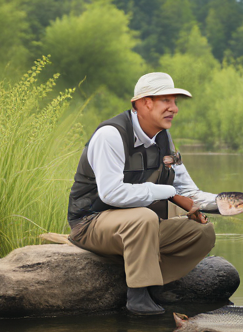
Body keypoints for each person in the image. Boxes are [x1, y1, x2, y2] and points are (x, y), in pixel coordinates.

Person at [67, 72, 218, 316]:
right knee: (144, 217)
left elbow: (187, 190)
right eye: (167, 101)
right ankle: (138, 296)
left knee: (202, 232)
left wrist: (225, 203)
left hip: (136, 227)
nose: (175, 109)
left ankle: (153, 281)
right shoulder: (110, 135)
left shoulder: (164, 138)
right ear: (145, 102)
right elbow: (111, 194)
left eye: (175, 102)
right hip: (90, 223)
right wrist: (170, 192)